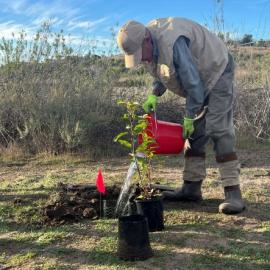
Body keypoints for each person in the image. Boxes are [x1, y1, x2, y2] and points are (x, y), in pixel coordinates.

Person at [116, 17, 245, 214]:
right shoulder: (150, 42)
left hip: (217, 69)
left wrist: (188, 116)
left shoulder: (172, 41)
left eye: (141, 54)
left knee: (219, 129)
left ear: (147, 40)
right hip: (199, 78)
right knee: (195, 134)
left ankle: (233, 193)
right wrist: (154, 94)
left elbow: (193, 84)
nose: (142, 59)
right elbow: (163, 72)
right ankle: (191, 188)